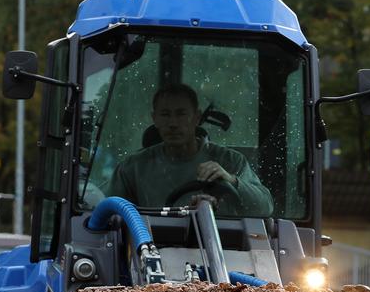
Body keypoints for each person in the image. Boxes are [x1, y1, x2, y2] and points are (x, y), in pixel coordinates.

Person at [106, 83, 272, 216]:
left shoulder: (230, 161)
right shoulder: (133, 168)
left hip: (224, 246)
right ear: (154, 119)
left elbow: (265, 208)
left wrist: (231, 180)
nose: (173, 123)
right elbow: (110, 215)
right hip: (152, 248)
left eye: (181, 114)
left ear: (197, 117)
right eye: (165, 114)